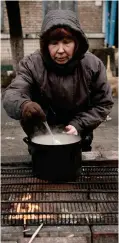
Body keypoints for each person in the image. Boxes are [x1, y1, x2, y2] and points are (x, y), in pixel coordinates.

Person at [3, 9, 113, 152]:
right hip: (41, 139)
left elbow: (103, 103)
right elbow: (11, 94)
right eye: (54, 43)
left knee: (76, 170)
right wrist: (24, 106)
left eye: (67, 42)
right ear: (45, 45)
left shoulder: (93, 65)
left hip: (79, 138)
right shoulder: (31, 64)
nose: (60, 50)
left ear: (77, 42)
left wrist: (79, 124)